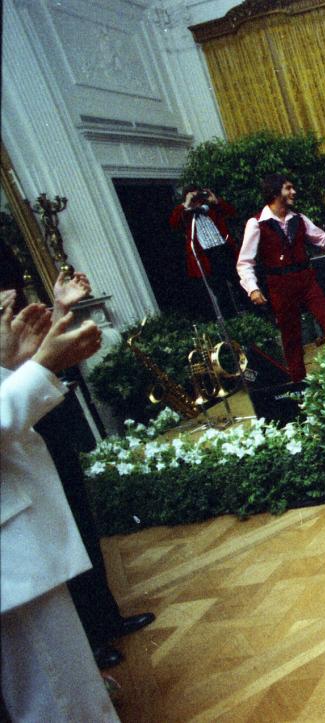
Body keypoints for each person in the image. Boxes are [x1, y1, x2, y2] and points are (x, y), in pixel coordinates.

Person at [1, 287, 118, 721]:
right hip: (11, 562)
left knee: (73, 694)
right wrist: (39, 368)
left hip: (21, 549)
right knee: (60, 704)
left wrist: (11, 365)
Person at [30, 274, 156, 671]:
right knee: (58, 540)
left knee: (82, 527)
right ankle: (92, 639)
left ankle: (107, 618)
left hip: (48, 432)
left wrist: (60, 307)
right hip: (23, 444)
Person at [237, 174, 325, 382]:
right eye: (288, 188)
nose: (294, 192)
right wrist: (253, 288)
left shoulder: (299, 219)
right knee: (291, 336)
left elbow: (322, 238)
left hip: (306, 279)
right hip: (280, 285)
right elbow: (245, 262)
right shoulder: (257, 224)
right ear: (275, 192)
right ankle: (298, 384)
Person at [168, 185, 242, 316]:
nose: (197, 199)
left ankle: (255, 313)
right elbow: (174, 224)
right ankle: (232, 320)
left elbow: (231, 212)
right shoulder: (186, 214)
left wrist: (216, 201)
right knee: (221, 291)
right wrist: (186, 204)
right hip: (206, 256)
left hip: (223, 249)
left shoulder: (211, 208)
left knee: (240, 282)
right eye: (193, 196)